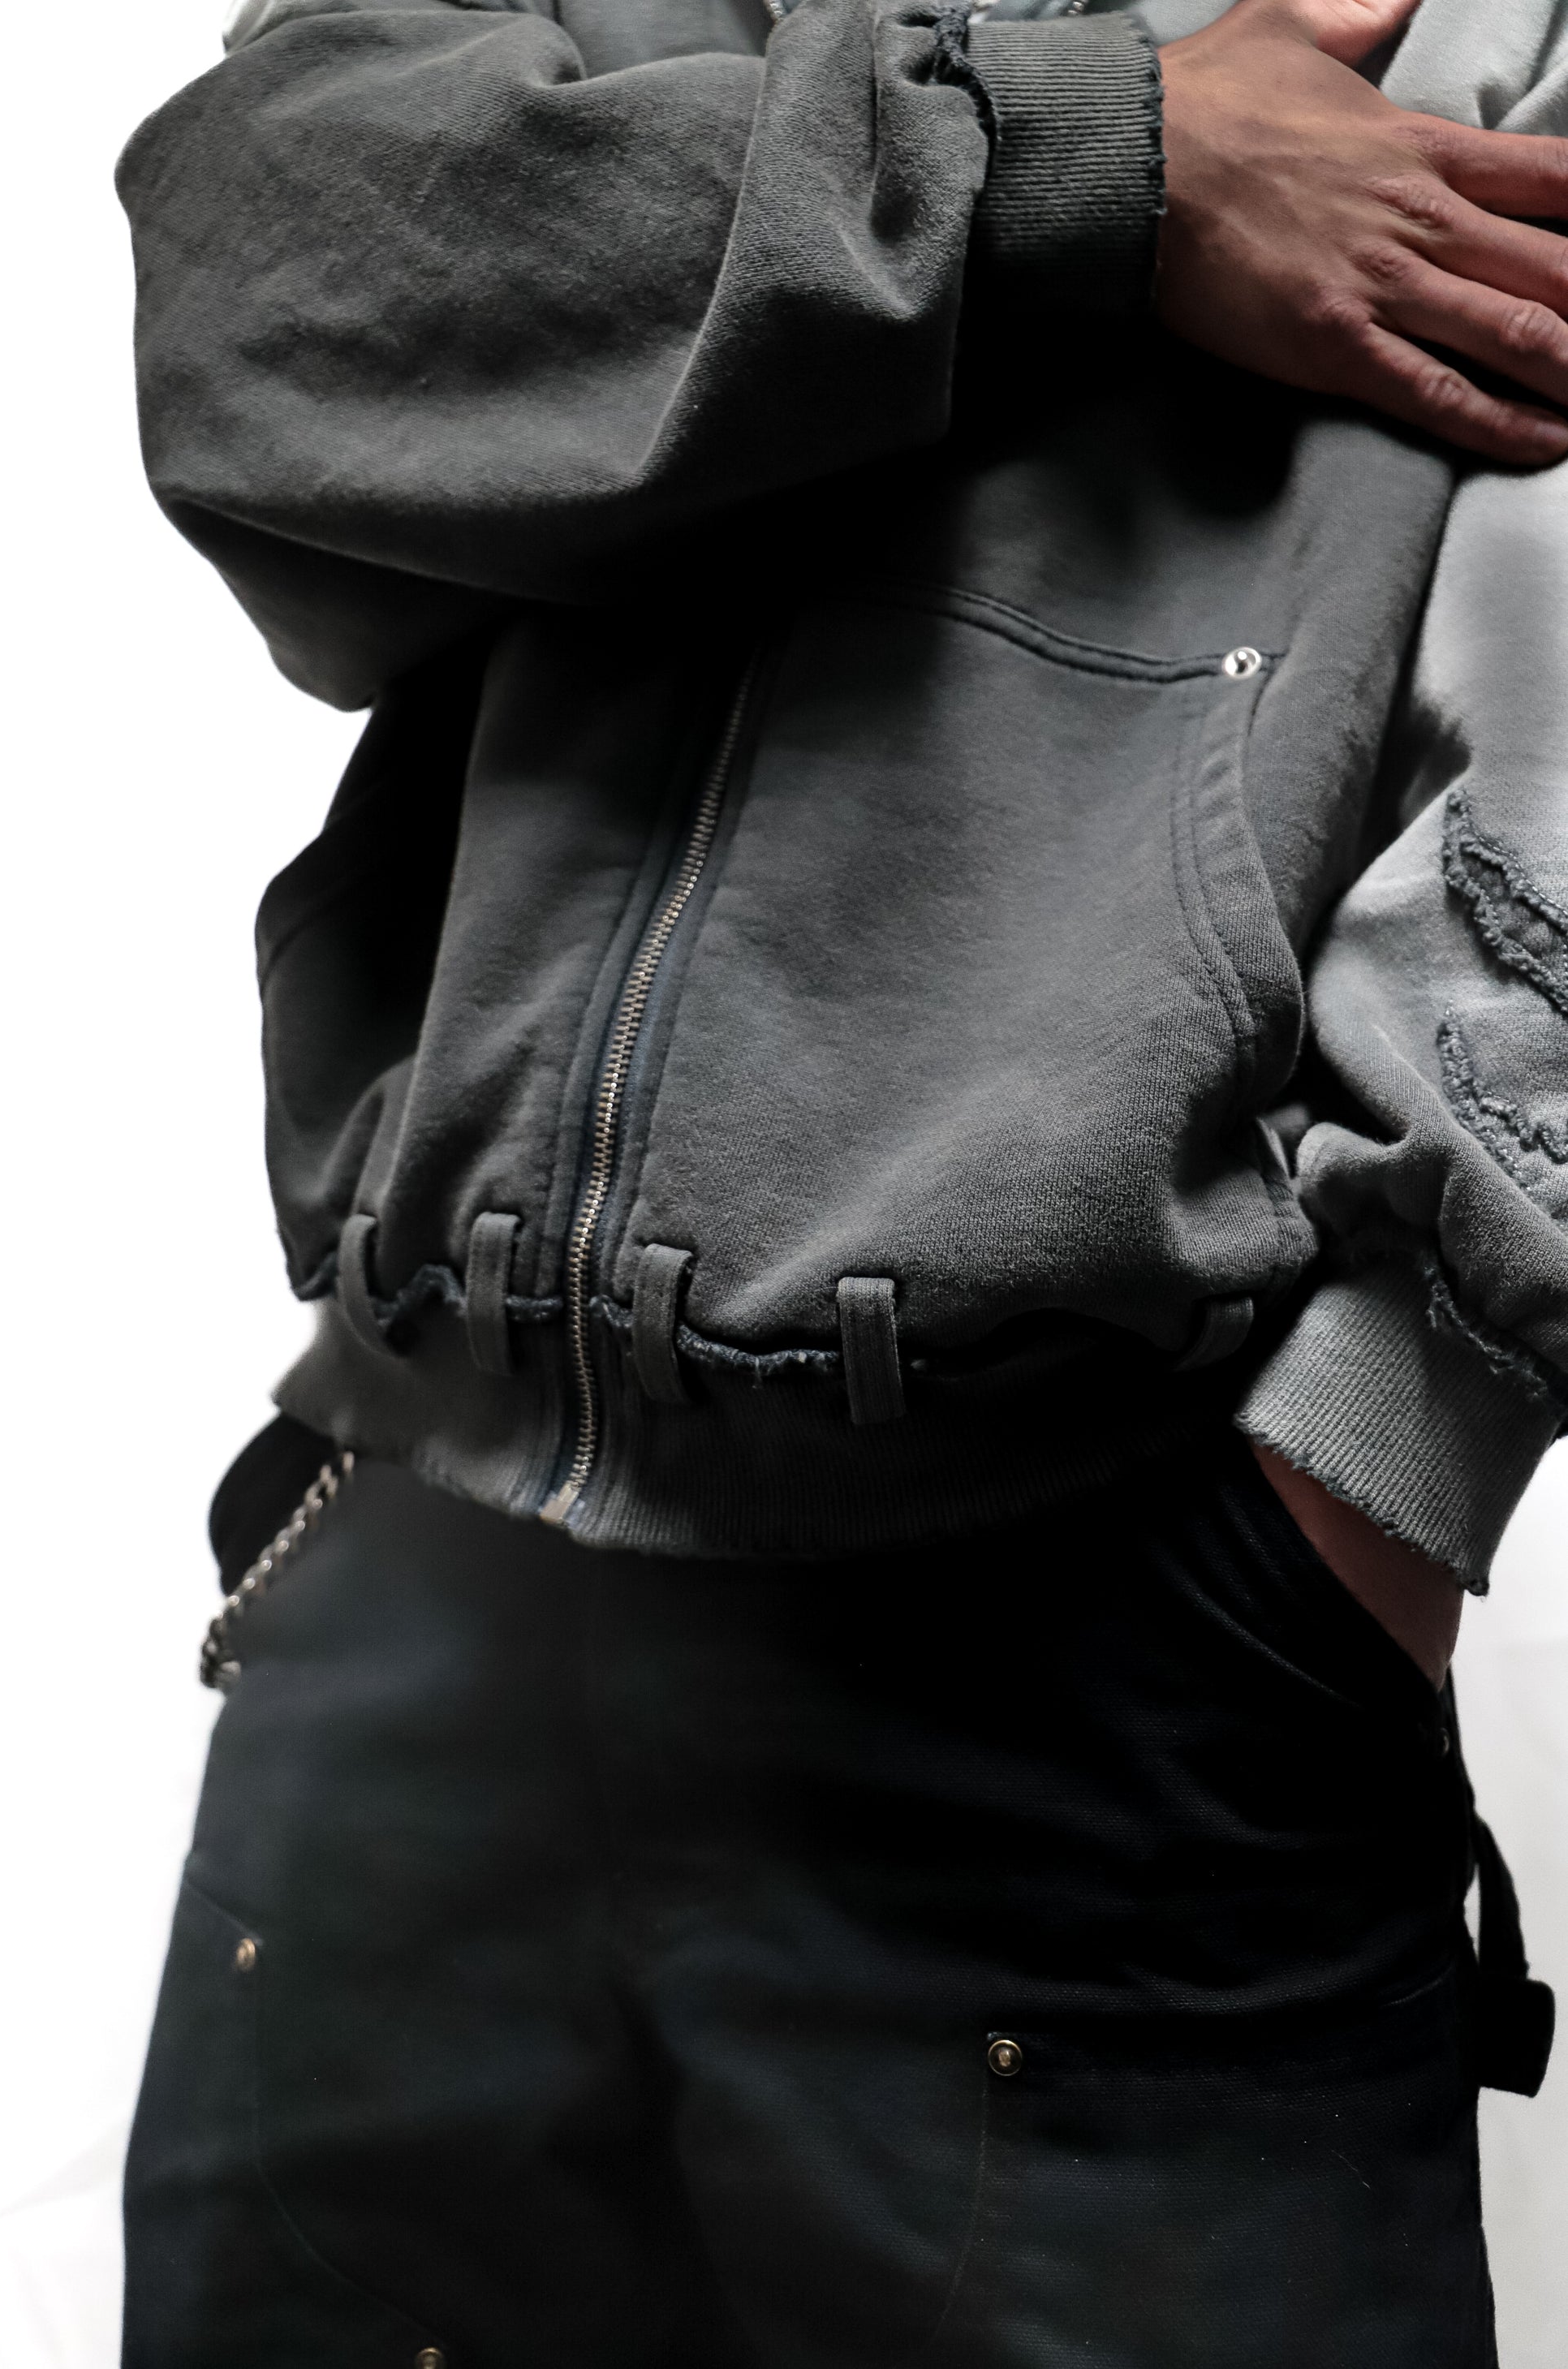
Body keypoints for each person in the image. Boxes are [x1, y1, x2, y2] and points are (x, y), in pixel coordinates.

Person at [118, 0, 1567, 2359]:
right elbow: (262, 303)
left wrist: (1360, 1484)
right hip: (415, 1609)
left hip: (1104, 1660)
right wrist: (1099, 167)